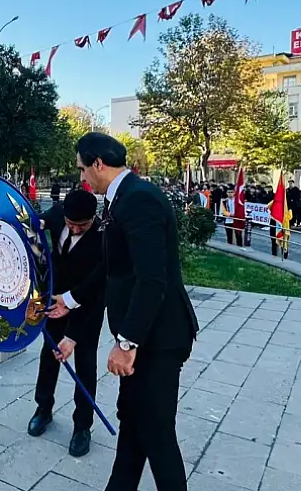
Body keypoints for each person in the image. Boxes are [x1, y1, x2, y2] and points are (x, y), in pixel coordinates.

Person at [75, 132, 198, 491]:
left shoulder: (139, 199)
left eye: (84, 168)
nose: (82, 177)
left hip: (157, 339)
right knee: (131, 422)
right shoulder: (121, 199)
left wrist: (126, 344)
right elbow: (113, 268)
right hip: (143, 335)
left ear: (99, 164)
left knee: (157, 436)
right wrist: (70, 299)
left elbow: (151, 281)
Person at [31, 189, 106, 456]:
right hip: (55, 302)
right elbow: (38, 221)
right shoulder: (57, 215)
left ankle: (82, 426)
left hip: (86, 307)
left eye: (81, 226)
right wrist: (36, 224)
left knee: (85, 365)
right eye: (71, 224)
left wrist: (73, 336)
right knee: (49, 356)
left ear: (93, 219)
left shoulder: (101, 239)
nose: (74, 229)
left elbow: (98, 292)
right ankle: (43, 408)